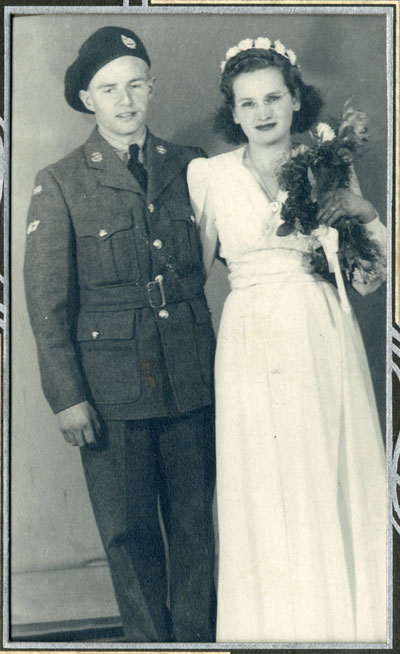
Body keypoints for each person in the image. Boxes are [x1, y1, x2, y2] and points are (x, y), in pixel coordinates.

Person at [188, 36, 386, 643]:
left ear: (297, 100)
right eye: (247, 103)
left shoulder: (330, 165)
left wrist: (362, 210)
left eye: (274, 97)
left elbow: (368, 279)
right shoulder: (210, 177)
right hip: (249, 344)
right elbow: (193, 281)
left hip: (320, 331)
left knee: (323, 471)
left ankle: (344, 631)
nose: (263, 112)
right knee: (264, 486)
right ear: (233, 110)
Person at [24, 26, 216, 643]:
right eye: (109, 89)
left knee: (194, 527)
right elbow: (47, 304)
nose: (125, 99)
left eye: (136, 84)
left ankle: (196, 641)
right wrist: (67, 395)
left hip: (190, 374)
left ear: (152, 87)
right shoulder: (60, 182)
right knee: (129, 536)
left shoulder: (191, 166)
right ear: (87, 98)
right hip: (111, 389)